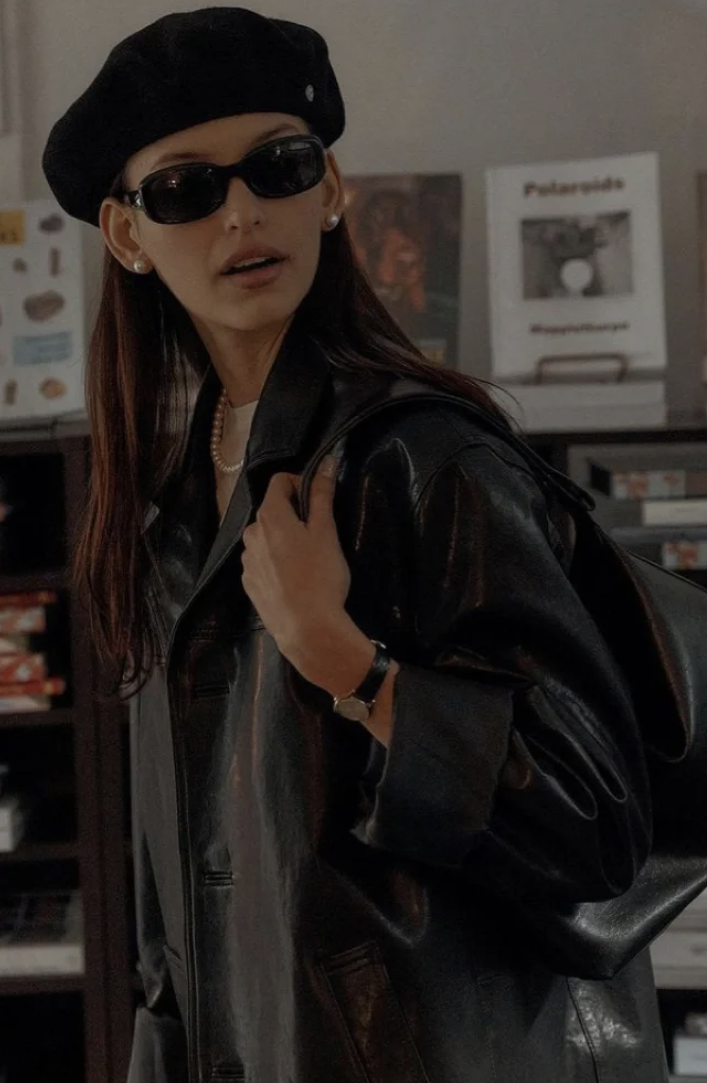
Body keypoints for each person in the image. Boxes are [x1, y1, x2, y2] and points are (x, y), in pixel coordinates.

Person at [42, 8, 669, 1082]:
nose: (243, 211)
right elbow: (174, 892)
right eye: (186, 189)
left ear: (329, 189)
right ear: (128, 235)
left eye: (279, 167)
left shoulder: (425, 460)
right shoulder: (172, 502)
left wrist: (349, 665)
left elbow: (594, 825)